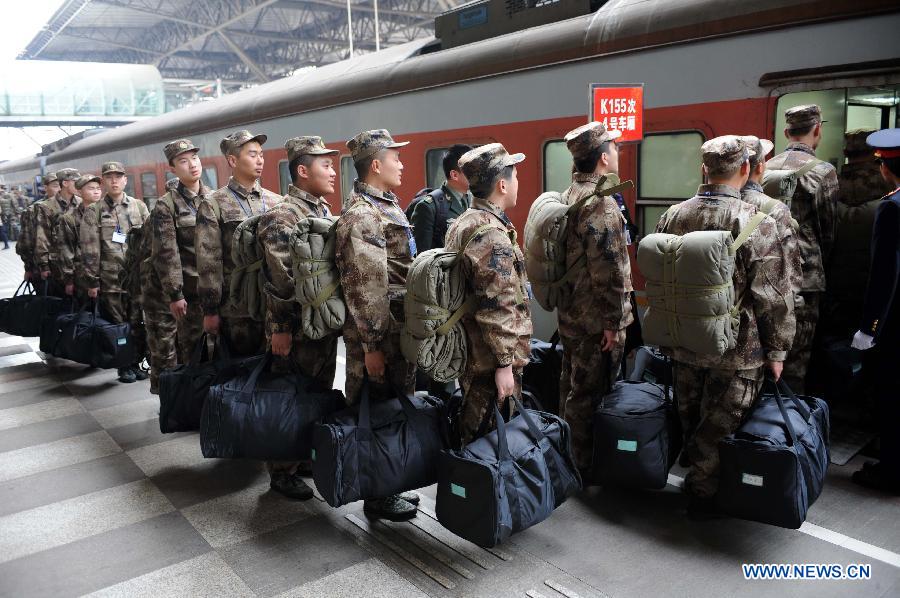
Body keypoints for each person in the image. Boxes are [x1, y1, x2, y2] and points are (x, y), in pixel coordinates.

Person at [655, 136, 795, 518]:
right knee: (721, 423)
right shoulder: (757, 222)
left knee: (691, 414)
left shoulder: (673, 215)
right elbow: (774, 296)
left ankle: (696, 478)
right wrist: (778, 349)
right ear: (746, 170)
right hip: (737, 349)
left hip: (684, 341)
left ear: (704, 169)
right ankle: (703, 495)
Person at [335, 129, 418, 521]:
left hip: (393, 332)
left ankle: (391, 483)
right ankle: (378, 494)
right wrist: (372, 348)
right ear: (375, 165)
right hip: (378, 338)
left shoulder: (384, 205)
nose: (401, 163)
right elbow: (366, 287)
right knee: (377, 413)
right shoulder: (363, 215)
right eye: (395, 157)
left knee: (391, 409)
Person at [257, 135, 340, 500]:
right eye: (325, 165)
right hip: (295, 329)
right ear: (303, 171)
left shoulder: (319, 211)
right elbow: (280, 279)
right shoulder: (282, 216)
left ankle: (303, 455)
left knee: (315, 393)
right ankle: (281, 470)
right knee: (289, 396)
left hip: (318, 325)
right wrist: (280, 329)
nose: (333, 171)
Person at [554, 122, 634, 474]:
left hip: (571, 314)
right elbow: (612, 271)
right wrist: (614, 323)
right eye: (615, 148)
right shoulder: (601, 205)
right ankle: (580, 466)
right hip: (595, 319)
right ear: (604, 158)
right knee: (590, 393)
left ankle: (564, 455)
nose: (618, 153)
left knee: (571, 386)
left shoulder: (570, 194)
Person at [444, 142, 533, 447]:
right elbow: (496, 305)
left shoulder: (464, 222)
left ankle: (477, 490)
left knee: (478, 433)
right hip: (488, 361)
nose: (518, 183)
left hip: (474, 353)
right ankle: (484, 494)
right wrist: (505, 364)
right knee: (490, 442)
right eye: (516, 176)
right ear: (502, 184)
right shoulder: (491, 235)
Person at [765, 105, 838, 393]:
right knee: (797, 358)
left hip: (768, 273)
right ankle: (790, 424)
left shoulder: (765, 167)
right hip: (806, 280)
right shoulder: (823, 172)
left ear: (786, 132)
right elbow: (828, 230)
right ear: (817, 129)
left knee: (769, 350)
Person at [197, 130, 282, 357]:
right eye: (252, 155)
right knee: (241, 375)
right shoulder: (214, 204)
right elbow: (209, 261)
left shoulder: (277, 201)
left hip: (273, 306)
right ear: (233, 160)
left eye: (261, 155)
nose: (260, 160)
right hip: (237, 309)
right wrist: (211, 310)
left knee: (278, 377)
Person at [849, 128, 900, 495]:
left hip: (896, 324)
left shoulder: (892, 207)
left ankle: (891, 472)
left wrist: (869, 327)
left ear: (886, 168)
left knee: (892, 395)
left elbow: (884, 275)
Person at [408, 143, 473, 399]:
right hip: (441, 305)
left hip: (465, 299)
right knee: (442, 370)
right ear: (454, 174)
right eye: (469, 170)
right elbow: (422, 261)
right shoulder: (430, 206)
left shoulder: (471, 202)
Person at [80, 162, 150, 383]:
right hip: (111, 281)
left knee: (138, 323)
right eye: (109, 177)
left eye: (118, 177)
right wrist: (92, 281)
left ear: (125, 180)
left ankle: (137, 362)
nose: (114, 181)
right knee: (119, 326)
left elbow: (149, 241)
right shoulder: (95, 211)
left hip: (138, 279)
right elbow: (90, 248)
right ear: (104, 182)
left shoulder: (139, 207)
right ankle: (123, 366)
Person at [823, 129, 893, 338]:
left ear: (846, 151)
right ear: (875, 152)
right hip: (875, 272)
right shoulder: (885, 181)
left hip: (837, 276)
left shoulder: (831, 182)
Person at [150, 139, 211, 378]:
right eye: (183, 161)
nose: (192, 165)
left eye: (194, 158)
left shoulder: (214, 198)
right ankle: (189, 403)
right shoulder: (166, 206)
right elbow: (166, 253)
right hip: (190, 293)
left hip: (215, 290)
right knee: (193, 349)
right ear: (173, 169)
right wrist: (175, 294)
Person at [740, 135, 802, 310]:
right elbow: (789, 274)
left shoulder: (717, 204)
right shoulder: (776, 209)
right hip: (760, 312)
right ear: (760, 167)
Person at [409, 143, 473, 252]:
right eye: (471, 169)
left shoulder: (472, 200)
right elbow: (422, 258)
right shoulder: (429, 207)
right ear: (454, 175)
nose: (478, 174)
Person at [35, 168, 81, 296]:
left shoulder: (81, 203)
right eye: (75, 181)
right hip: (57, 266)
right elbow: (42, 237)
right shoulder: (46, 207)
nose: (79, 185)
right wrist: (43, 266)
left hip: (79, 263)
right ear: (65, 183)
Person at [57, 174, 102, 300]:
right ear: (79, 192)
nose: (96, 191)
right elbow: (66, 250)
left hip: (108, 275)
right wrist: (69, 280)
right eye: (91, 188)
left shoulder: (109, 213)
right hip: (83, 277)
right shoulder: (69, 218)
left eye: (98, 188)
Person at [16, 173, 57, 279]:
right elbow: (25, 242)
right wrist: (28, 268)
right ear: (45, 188)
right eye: (55, 186)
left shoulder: (74, 206)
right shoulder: (33, 210)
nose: (60, 189)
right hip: (43, 269)